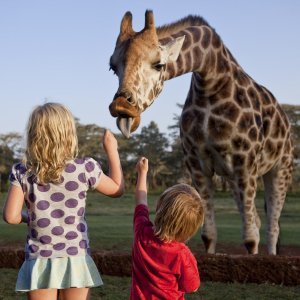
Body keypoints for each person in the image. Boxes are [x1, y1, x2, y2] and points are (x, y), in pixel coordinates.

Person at [2, 102, 124, 300]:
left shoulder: (22, 171)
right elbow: (118, 190)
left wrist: (29, 217)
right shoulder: (85, 168)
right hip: (76, 256)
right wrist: (112, 150)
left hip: (40, 258)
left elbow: (10, 216)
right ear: (68, 133)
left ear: (33, 134)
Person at [131, 157, 204, 299]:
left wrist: (142, 173)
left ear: (160, 210)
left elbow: (141, 200)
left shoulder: (141, 233)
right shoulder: (182, 254)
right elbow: (192, 287)